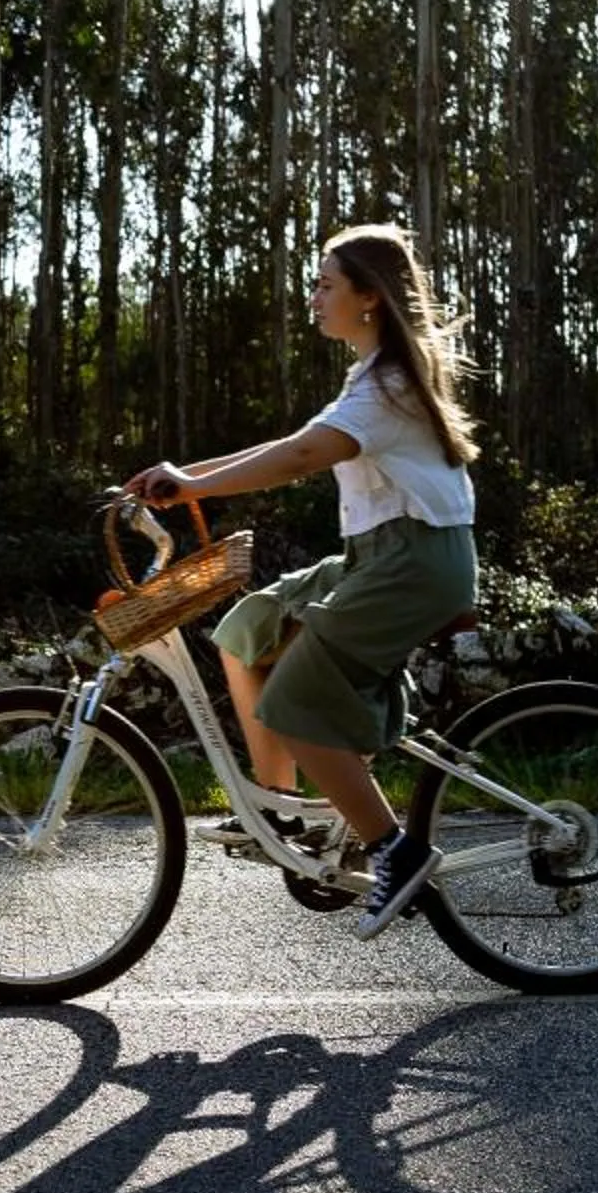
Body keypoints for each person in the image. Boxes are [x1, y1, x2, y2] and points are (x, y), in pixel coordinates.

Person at [129, 221, 479, 940]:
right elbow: (288, 443)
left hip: (417, 562)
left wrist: (192, 485)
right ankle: (285, 817)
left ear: (369, 299)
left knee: (292, 702)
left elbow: (300, 458)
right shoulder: (369, 375)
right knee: (246, 629)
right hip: (378, 557)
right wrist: (186, 477)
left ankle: (394, 847)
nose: (313, 297)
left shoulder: (387, 387)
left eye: (326, 285)